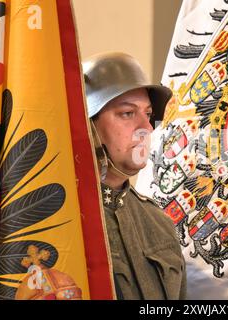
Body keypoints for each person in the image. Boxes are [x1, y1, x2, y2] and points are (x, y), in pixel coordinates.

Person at [83, 52, 186, 300]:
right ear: (88, 125)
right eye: (128, 113)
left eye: (148, 114)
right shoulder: (59, 221)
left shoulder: (159, 223)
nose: (147, 127)